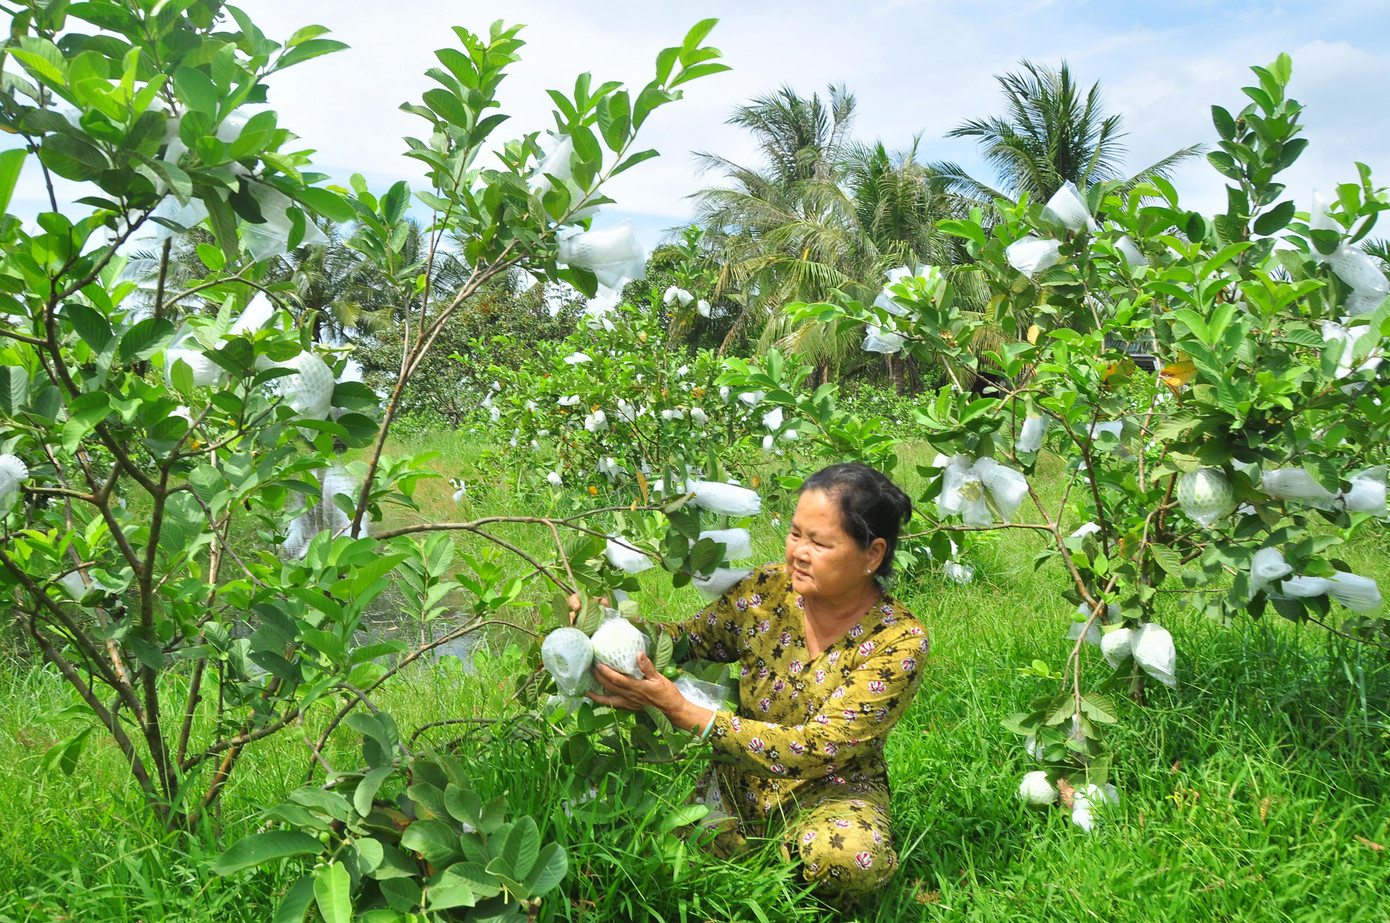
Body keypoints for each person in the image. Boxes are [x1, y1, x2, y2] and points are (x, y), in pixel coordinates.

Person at [586, 462, 928, 907]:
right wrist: (605, 624)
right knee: (628, 825)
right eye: (795, 534)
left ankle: (768, 861)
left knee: (848, 857)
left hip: (829, 788)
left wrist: (686, 712)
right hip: (737, 779)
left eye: (820, 542)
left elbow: (820, 746)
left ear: (872, 554)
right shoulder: (768, 590)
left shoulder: (898, 640)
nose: (798, 553)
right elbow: (687, 640)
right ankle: (759, 860)